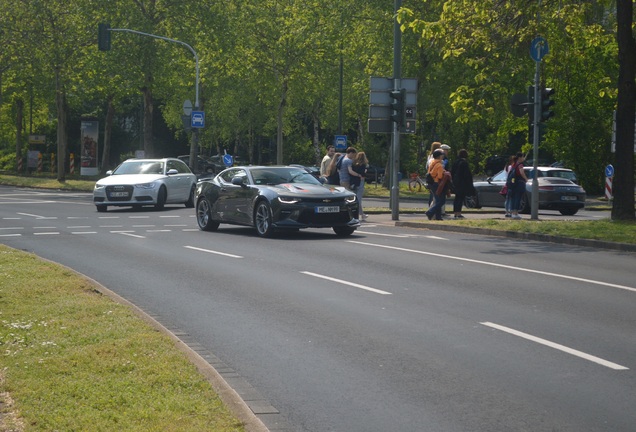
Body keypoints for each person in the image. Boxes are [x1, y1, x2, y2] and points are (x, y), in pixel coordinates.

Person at [425, 149, 449, 220]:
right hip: (437, 183)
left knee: (437, 200)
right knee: (441, 201)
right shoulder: (439, 165)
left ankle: (438, 217)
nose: (443, 156)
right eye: (442, 155)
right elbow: (440, 176)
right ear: (439, 156)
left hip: (431, 183)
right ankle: (430, 212)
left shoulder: (432, 163)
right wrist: (444, 172)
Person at [450, 149, 474, 219]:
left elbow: (452, 172)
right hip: (462, 183)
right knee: (460, 199)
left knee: (456, 198)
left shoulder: (456, 162)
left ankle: (455, 213)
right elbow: (467, 175)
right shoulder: (464, 163)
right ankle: (459, 213)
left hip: (456, 183)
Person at [509, 152, 529, 219]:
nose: (523, 158)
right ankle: (515, 213)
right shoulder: (520, 165)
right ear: (520, 158)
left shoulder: (513, 164)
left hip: (513, 183)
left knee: (514, 198)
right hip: (519, 183)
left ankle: (513, 213)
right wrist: (526, 179)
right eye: (523, 157)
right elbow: (522, 173)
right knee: (518, 198)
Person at [350, 152, 369, 220]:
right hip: (360, 181)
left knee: (355, 198)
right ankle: (358, 214)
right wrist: (365, 172)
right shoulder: (363, 165)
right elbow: (363, 174)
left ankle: (362, 214)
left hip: (354, 182)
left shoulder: (354, 164)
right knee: (358, 199)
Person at [426, 142, 442, 208]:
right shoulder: (435, 157)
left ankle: (431, 208)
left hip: (430, 175)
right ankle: (432, 210)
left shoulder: (429, 156)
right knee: (434, 195)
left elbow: (427, 166)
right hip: (434, 177)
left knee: (432, 193)